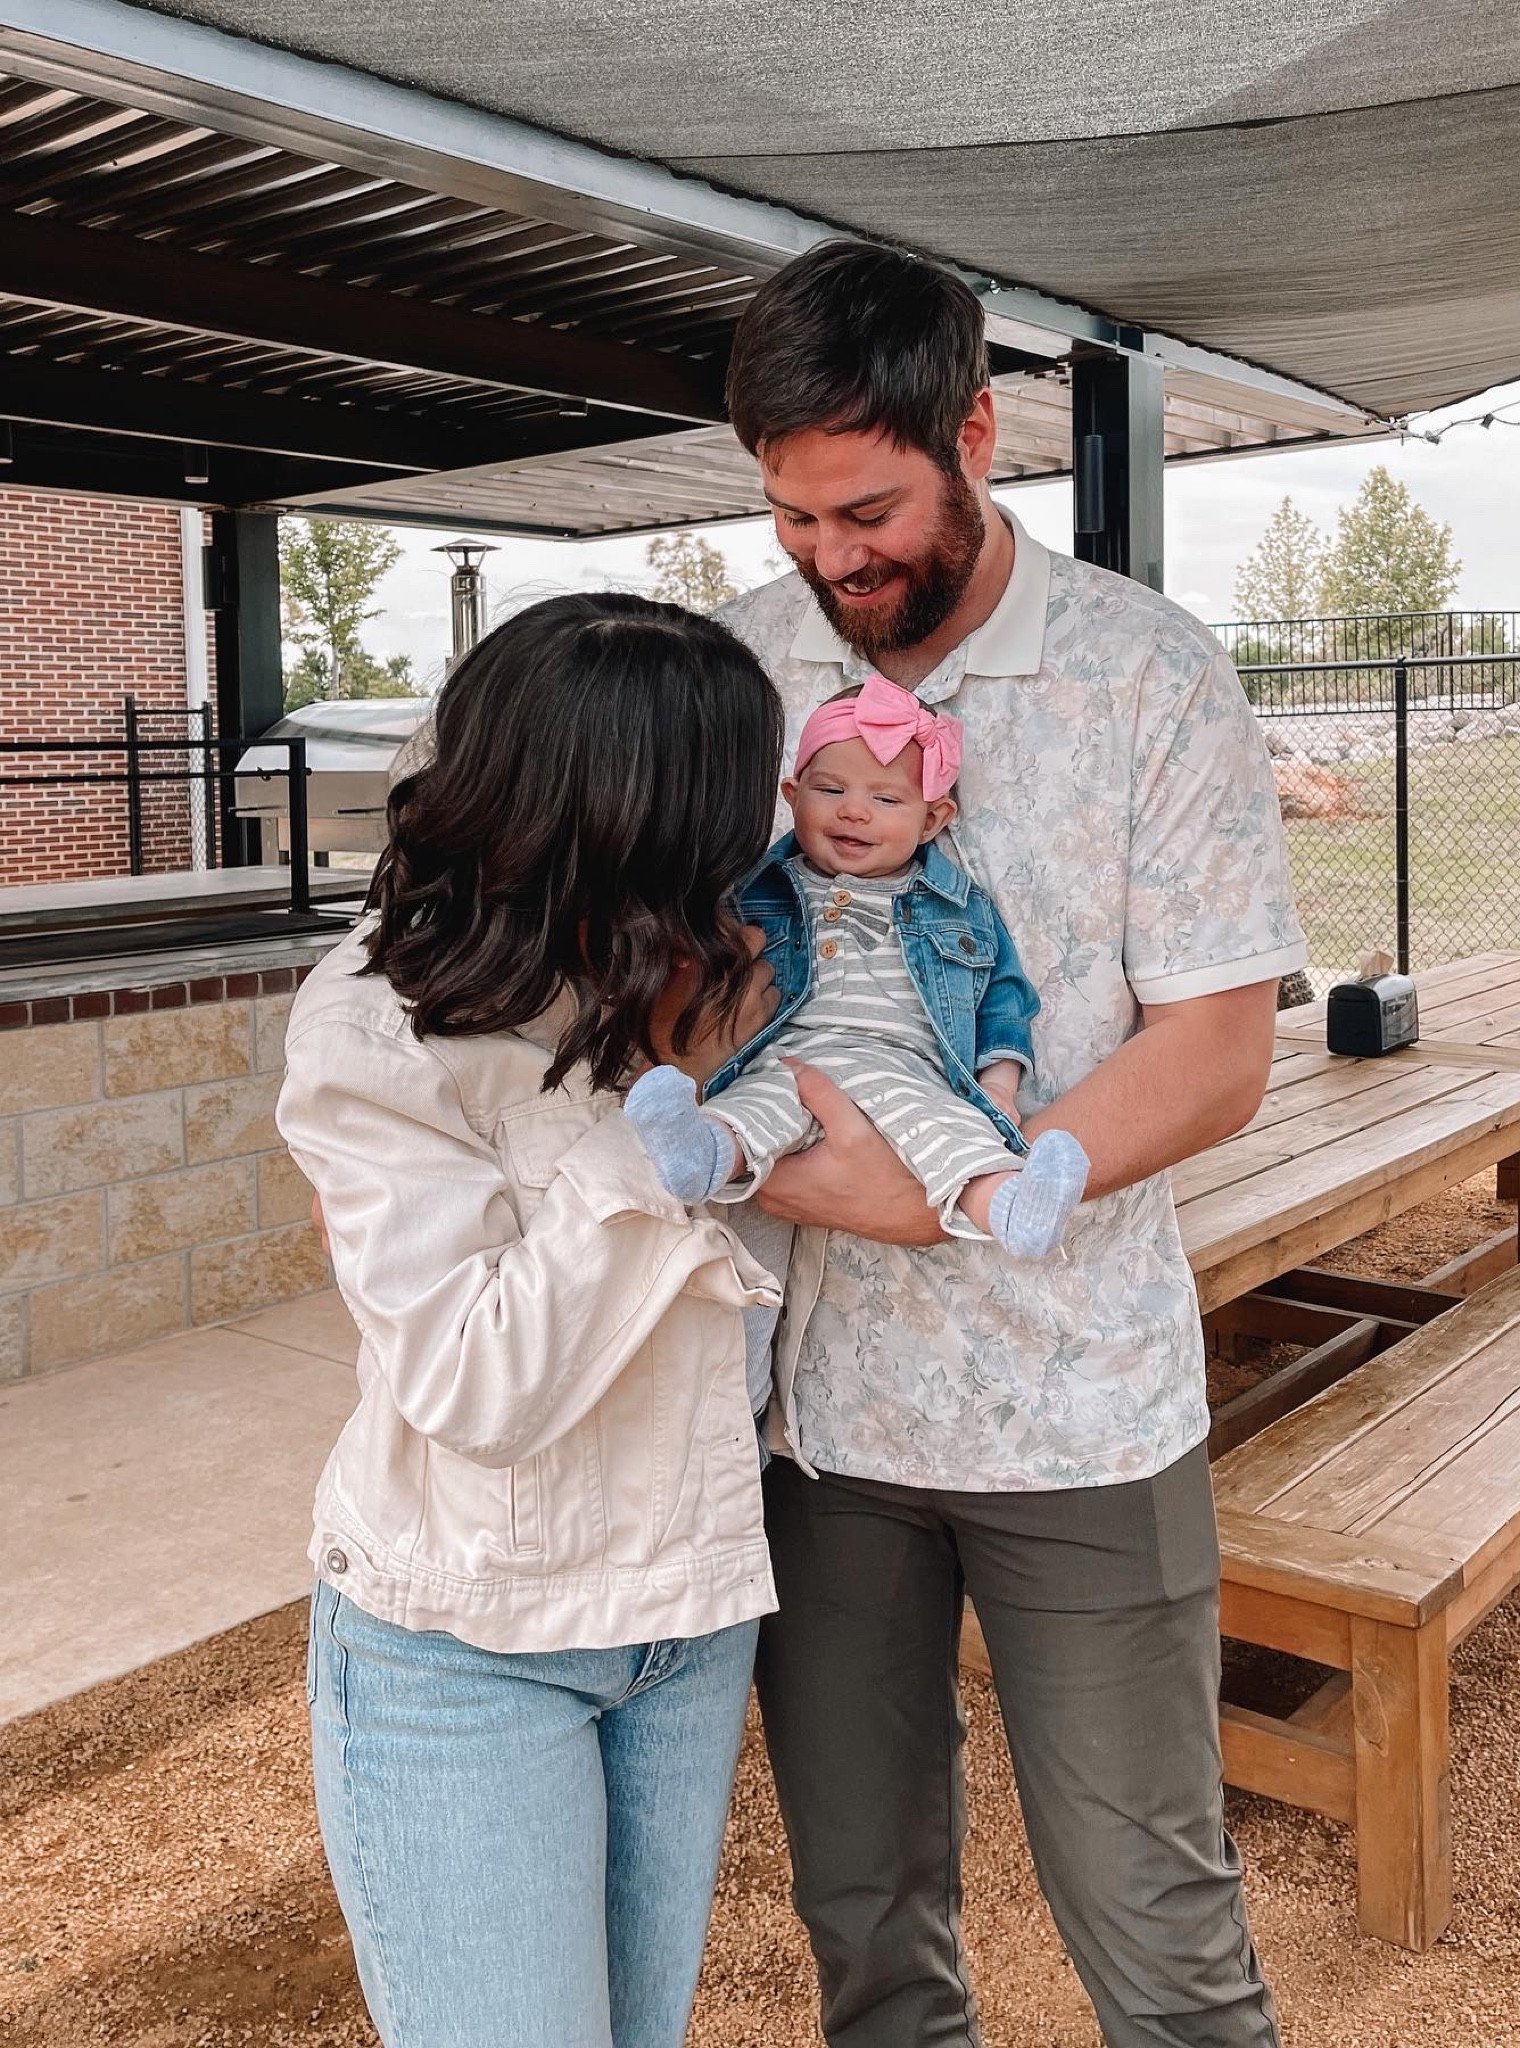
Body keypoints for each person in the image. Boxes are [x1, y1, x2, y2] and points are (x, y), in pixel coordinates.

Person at [715, 241, 1307, 2048]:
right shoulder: (735, 666)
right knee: (864, 1922)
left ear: (972, 435)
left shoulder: (1142, 671)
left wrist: (950, 1196)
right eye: (791, 515)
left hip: (1079, 1406)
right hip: (810, 1421)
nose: (830, 560)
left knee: (1156, 1925)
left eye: (868, 511)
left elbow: (1213, 1049)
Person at [275, 593, 787, 2048]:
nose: (757, 840)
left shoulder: (710, 967)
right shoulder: (381, 1021)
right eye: (728, 807)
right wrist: (660, 1122)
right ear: (627, 814)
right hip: (465, 1636)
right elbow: (476, 1384)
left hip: (688, 1611)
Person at [624, 673, 1090, 1257]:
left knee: (953, 1136)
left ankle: (1013, 1207)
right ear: (792, 796)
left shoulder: (959, 907)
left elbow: (1003, 997)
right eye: (830, 790)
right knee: (750, 1109)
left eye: (886, 799)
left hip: (907, 1072)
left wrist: (998, 1084)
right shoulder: (756, 890)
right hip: (786, 1060)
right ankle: (699, 1153)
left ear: (932, 820)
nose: (853, 812)